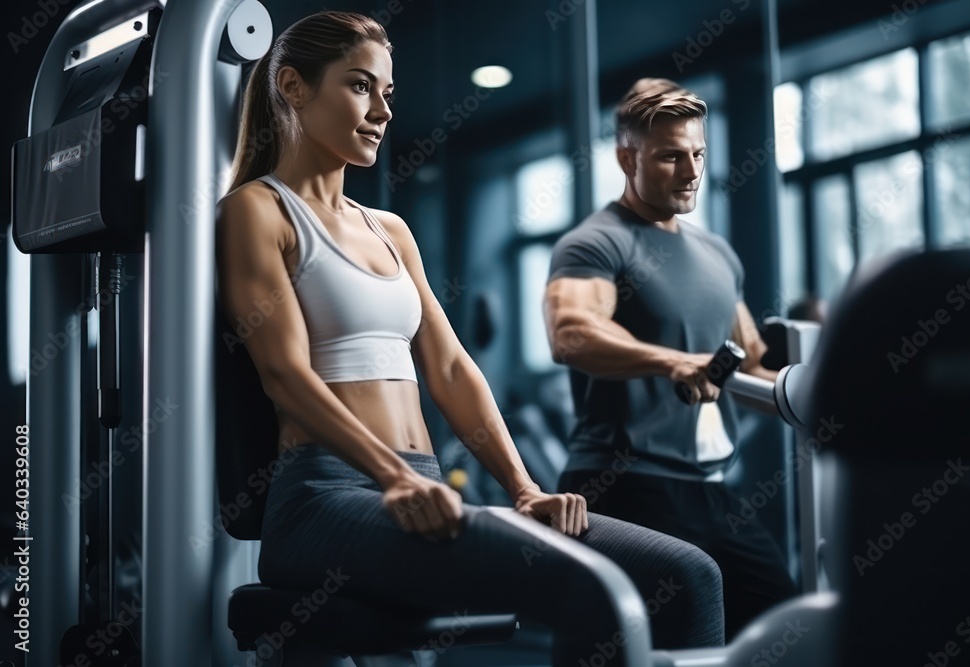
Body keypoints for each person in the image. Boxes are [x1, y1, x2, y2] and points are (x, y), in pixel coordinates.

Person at [216, 14, 725, 663]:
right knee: (593, 589)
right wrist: (394, 476)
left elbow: (451, 368)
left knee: (688, 576)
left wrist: (524, 488)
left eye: (388, 94)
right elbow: (284, 372)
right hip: (324, 501)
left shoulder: (389, 229)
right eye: (359, 86)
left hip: (420, 485)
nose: (381, 111)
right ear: (292, 85)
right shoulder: (257, 211)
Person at [544, 78, 798, 641]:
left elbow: (750, 363)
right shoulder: (597, 242)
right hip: (625, 481)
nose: (690, 172)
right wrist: (674, 363)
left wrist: (818, 391)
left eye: (698, 154)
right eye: (670, 157)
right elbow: (571, 334)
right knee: (649, 642)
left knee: (785, 622)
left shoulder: (717, 254)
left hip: (711, 489)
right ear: (625, 157)